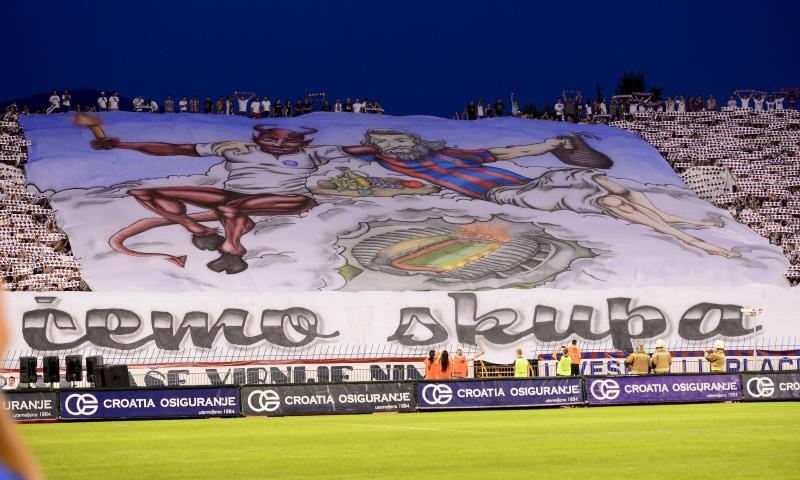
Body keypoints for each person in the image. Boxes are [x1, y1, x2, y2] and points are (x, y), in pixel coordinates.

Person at [354, 129, 740, 258]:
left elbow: (507, 152)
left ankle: (682, 219)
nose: (395, 141)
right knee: (608, 201)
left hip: (525, 181)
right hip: (507, 194)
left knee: (608, 184)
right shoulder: (393, 162)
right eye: (387, 140)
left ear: (414, 137)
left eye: (398, 135)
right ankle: (693, 239)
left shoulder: (448, 152)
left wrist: (547, 143)